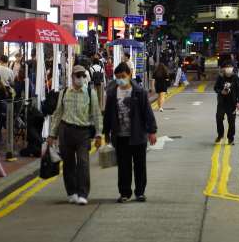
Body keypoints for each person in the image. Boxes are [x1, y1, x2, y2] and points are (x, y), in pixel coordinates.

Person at [103, 62, 158, 203]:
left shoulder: (139, 92)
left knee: (140, 166)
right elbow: (108, 114)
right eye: (118, 77)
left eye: (123, 76)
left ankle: (140, 192)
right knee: (123, 167)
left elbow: (147, 112)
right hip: (120, 137)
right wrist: (106, 133)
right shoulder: (112, 93)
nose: (120, 80)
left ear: (129, 75)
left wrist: (152, 131)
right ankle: (124, 193)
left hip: (138, 135)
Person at [48, 65, 102, 206]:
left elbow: (96, 114)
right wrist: (52, 134)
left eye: (83, 75)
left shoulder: (91, 93)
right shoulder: (64, 92)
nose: (80, 78)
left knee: (83, 163)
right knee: (68, 164)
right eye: (78, 76)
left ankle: (83, 193)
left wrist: (98, 134)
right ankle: (71, 192)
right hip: (66, 131)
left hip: (83, 132)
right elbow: (58, 113)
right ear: (72, 77)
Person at [213, 62, 239, 144]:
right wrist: (221, 91)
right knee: (219, 119)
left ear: (233, 68)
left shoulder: (235, 78)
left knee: (231, 122)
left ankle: (230, 138)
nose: (228, 68)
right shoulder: (220, 77)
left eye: (230, 67)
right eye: (227, 67)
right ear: (224, 68)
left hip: (232, 103)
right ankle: (220, 135)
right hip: (222, 102)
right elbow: (215, 88)